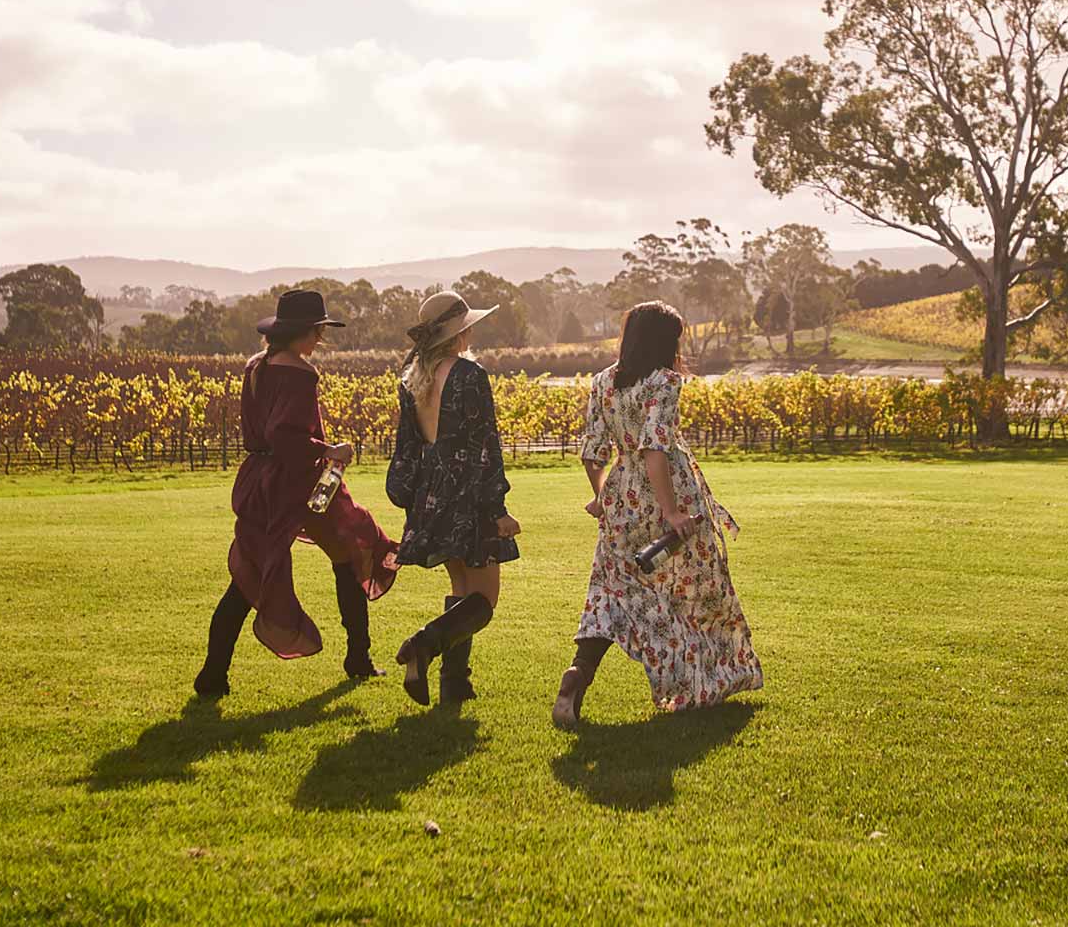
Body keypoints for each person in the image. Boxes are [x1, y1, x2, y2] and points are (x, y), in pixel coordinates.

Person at [552, 301, 761, 728]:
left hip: (621, 497)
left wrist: (601, 496)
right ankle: (707, 680)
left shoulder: (602, 382)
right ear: (665, 341)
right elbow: (655, 447)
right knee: (697, 590)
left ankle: (579, 673)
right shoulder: (664, 381)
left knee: (610, 591)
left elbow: (594, 451)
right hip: (668, 491)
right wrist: (670, 511)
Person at [193, 289, 399, 698]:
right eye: (317, 332)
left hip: (262, 479)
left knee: (255, 572)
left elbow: (267, 433)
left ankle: (213, 675)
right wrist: (330, 450)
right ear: (302, 333)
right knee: (353, 548)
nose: (320, 341)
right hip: (296, 479)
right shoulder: (301, 373)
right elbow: (286, 435)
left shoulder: (256, 366)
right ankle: (357, 657)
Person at [386, 290, 522, 706]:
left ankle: (455, 683)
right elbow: (485, 446)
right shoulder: (468, 375)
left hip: (431, 491)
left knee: (462, 586)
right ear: (458, 333)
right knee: (484, 599)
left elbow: (407, 447)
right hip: (468, 493)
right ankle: (423, 645)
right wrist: (497, 509)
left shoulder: (411, 378)